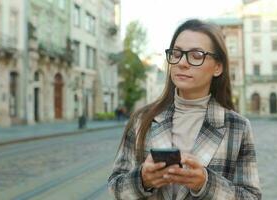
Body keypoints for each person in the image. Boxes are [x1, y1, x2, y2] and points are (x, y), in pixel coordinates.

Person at [108, 19, 261, 200]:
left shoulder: (238, 126)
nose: (182, 62)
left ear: (218, 67)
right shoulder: (142, 119)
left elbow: (252, 197)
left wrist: (205, 183)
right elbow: (115, 189)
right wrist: (142, 179)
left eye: (196, 55)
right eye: (176, 53)